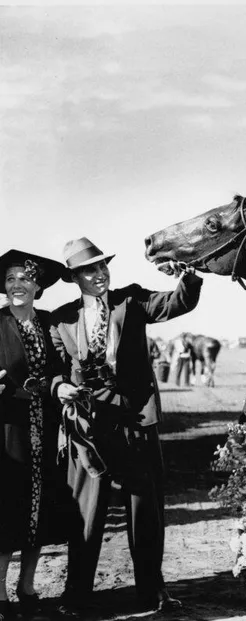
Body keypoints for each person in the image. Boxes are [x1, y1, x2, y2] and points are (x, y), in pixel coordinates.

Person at [50, 237, 203, 614]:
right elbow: (54, 371)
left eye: (103, 266)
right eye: (90, 270)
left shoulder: (131, 300)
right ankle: (78, 596)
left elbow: (176, 303)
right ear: (75, 277)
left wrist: (189, 277)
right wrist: (60, 386)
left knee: (144, 510)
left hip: (135, 420)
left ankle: (152, 593)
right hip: (88, 429)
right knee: (85, 514)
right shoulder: (62, 319)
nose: (99, 274)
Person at [0, 250, 72, 620]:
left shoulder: (48, 323)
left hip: (45, 424)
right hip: (6, 428)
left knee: (39, 506)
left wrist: (60, 387)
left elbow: (61, 366)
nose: (17, 285)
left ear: (37, 285)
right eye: (11, 279)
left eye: (25, 279)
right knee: (6, 505)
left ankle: (27, 586)